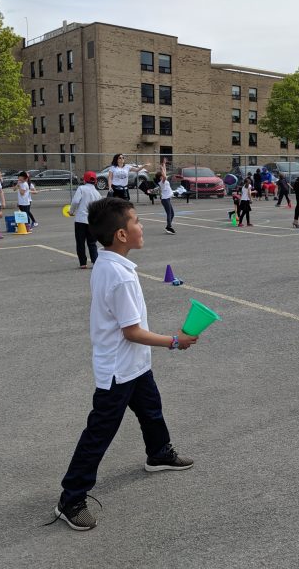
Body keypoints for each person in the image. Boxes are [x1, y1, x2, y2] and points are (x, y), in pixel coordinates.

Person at [51, 197, 198, 531]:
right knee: (99, 432)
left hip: (133, 365)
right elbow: (131, 332)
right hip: (118, 369)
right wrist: (175, 341)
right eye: (136, 221)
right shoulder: (121, 277)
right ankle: (71, 497)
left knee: (151, 409)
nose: (141, 226)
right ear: (120, 234)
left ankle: (159, 453)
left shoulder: (109, 263)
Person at [67, 171, 103, 268]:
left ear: (84, 180)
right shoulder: (97, 193)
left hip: (80, 220)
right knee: (92, 242)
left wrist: (71, 211)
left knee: (80, 242)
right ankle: (95, 261)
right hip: (92, 221)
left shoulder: (81, 188)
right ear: (95, 181)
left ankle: (83, 263)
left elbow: (75, 201)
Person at [155, 163, 175, 234]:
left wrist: (163, 165)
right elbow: (165, 176)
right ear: (160, 177)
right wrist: (162, 169)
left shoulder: (164, 181)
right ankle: (169, 227)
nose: (163, 175)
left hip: (167, 199)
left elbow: (164, 174)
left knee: (172, 214)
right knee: (169, 213)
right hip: (165, 199)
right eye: (162, 175)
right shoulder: (161, 182)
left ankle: (168, 226)